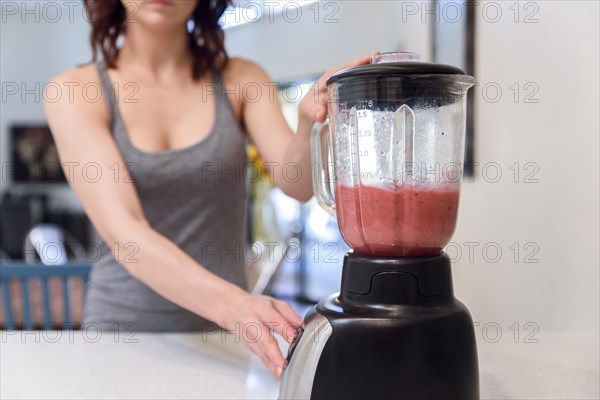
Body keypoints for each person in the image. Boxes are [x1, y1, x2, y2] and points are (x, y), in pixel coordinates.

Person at [44, 0, 373, 379]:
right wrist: (236, 306)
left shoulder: (241, 79)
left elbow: (296, 184)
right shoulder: (74, 91)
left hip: (222, 341)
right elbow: (124, 231)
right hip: (122, 334)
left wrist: (307, 125)